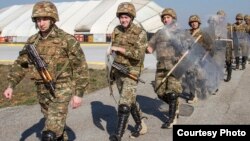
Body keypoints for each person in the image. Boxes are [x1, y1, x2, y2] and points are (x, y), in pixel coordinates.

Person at [3, 1, 89, 141]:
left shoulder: (67, 40)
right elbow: (20, 64)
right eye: (37, 19)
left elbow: (81, 67)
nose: (41, 23)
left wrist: (78, 93)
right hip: (42, 90)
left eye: (44, 19)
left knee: (49, 134)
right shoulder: (32, 42)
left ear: (52, 18)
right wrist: (11, 85)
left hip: (62, 89)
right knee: (57, 132)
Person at [108, 2, 148, 141]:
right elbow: (113, 49)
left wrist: (121, 49)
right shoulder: (117, 30)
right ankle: (140, 124)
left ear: (131, 17)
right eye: (121, 17)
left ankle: (118, 135)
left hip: (132, 71)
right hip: (118, 69)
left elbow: (138, 54)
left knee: (124, 104)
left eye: (126, 17)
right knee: (129, 100)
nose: (123, 20)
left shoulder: (140, 33)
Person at [147, 8, 182, 129]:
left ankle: (172, 119)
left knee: (172, 93)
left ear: (173, 18)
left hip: (175, 66)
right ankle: (175, 105)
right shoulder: (159, 33)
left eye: (168, 17)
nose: (165, 19)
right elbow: (150, 48)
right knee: (159, 92)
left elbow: (189, 49)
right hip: (161, 66)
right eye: (164, 18)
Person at [185, 15, 212, 103]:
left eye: (195, 22)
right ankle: (193, 95)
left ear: (198, 23)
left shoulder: (203, 33)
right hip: (190, 58)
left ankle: (203, 90)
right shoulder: (187, 32)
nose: (193, 24)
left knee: (200, 77)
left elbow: (210, 46)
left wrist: (205, 56)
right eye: (192, 22)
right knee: (190, 76)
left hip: (201, 57)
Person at [216, 10, 234, 82]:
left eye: (222, 17)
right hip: (219, 46)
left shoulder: (229, 25)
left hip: (228, 46)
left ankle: (229, 74)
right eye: (219, 17)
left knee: (228, 61)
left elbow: (233, 36)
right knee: (218, 62)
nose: (221, 18)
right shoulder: (215, 25)